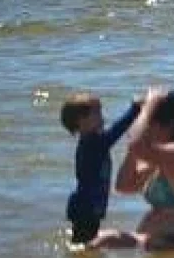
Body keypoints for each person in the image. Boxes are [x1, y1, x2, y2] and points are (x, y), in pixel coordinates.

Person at [94, 89, 174, 251]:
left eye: (149, 123)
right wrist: (134, 148)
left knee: (102, 240)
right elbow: (124, 186)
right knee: (94, 239)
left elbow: (136, 145)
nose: (145, 128)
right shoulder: (160, 160)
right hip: (162, 243)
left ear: (169, 125)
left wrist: (148, 107)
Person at [60, 93, 142, 247]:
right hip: (86, 208)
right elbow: (115, 132)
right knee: (85, 245)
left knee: (85, 244)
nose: (102, 116)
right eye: (97, 112)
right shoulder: (92, 143)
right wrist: (135, 109)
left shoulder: (93, 141)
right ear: (81, 121)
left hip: (88, 206)